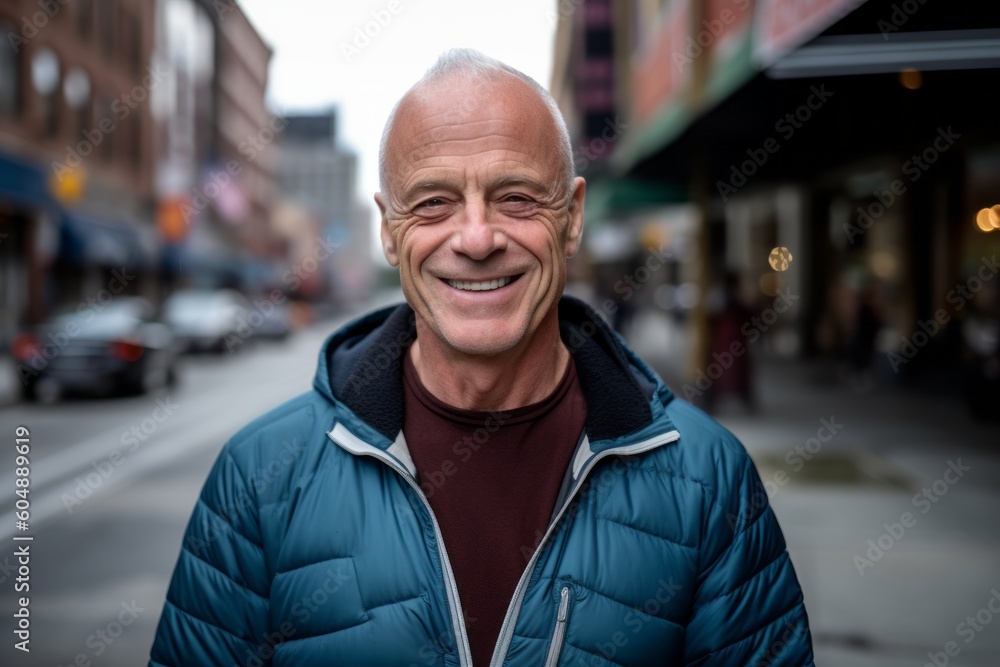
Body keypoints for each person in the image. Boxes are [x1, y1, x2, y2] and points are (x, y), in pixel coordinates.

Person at [149, 49, 814, 667]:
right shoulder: (258, 478)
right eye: (433, 202)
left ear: (573, 216)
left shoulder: (708, 482)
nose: (476, 238)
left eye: (516, 197)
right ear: (388, 229)